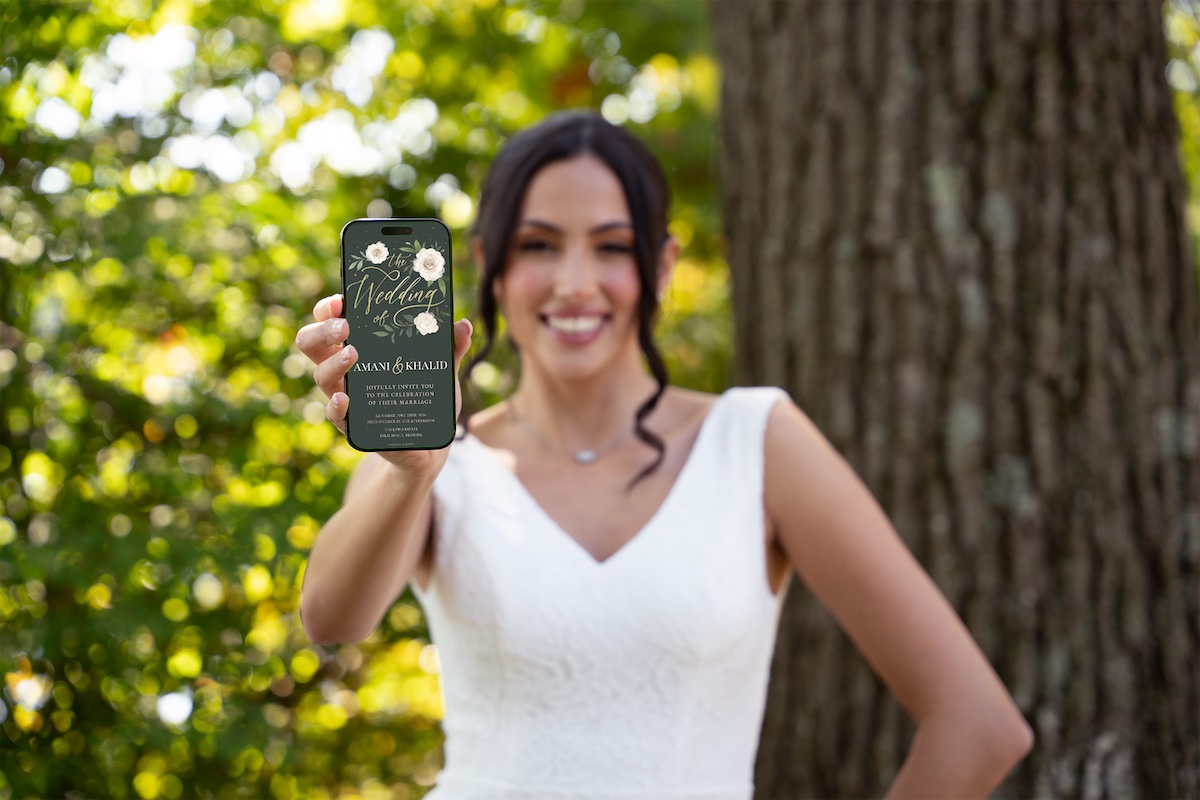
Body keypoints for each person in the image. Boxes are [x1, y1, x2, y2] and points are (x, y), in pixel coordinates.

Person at [295, 111, 1033, 799]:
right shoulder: (434, 461)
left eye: (612, 247)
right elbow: (332, 618)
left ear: (663, 264)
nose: (575, 283)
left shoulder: (758, 440)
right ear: (489, 262)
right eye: (538, 244)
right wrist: (412, 471)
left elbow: (979, 725)